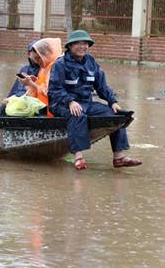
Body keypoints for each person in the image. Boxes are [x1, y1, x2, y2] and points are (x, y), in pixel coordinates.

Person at [48, 30, 141, 171]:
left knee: (116, 115)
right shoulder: (60, 64)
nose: (82, 46)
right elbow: (54, 89)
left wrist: (113, 102)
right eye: (78, 43)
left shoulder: (91, 62)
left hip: (86, 102)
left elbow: (101, 86)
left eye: (85, 43)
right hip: (62, 104)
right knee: (77, 114)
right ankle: (78, 157)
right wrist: (70, 101)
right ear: (70, 46)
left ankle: (119, 157)